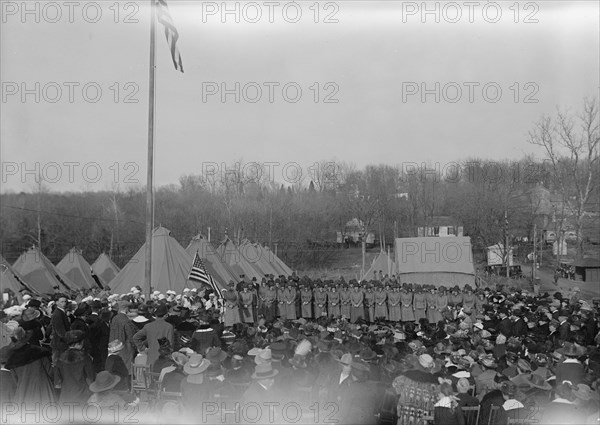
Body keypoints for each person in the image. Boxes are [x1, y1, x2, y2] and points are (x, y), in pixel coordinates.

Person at [5, 327, 56, 408]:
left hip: (24, 394)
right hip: (43, 390)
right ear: (26, 338)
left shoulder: (12, 358)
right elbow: (51, 372)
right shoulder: (39, 352)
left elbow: (15, 381)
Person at [54, 330, 95, 406]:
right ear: (81, 342)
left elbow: (57, 383)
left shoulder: (59, 358)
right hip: (83, 398)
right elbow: (90, 379)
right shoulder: (86, 358)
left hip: (65, 398)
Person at [132, 303, 174, 367]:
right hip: (164, 360)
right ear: (165, 315)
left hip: (151, 359)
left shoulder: (148, 326)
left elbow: (135, 337)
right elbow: (170, 344)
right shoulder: (169, 327)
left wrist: (143, 348)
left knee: (150, 375)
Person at [109, 301, 138, 374]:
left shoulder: (114, 318)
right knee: (126, 370)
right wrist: (136, 346)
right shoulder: (126, 320)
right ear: (126, 309)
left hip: (113, 346)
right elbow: (131, 336)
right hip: (125, 348)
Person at [50, 293, 71, 365]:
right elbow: (60, 331)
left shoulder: (61, 312)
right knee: (59, 362)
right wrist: (68, 340)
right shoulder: (58, 314)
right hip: (60, 343)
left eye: (65, 301)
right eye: (62, 302)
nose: (64, 303)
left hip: (60, 342)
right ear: (56, 302)